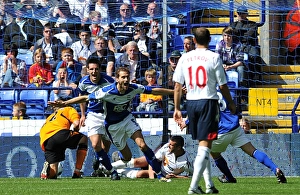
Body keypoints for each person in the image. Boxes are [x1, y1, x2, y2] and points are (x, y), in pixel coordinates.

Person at [48, 66, 175, 176]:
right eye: (123, 77)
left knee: (142, 145)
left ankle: (159, 173)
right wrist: (64, 103)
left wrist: (173, 92)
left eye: (127, 77)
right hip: (113, 127)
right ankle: (113, 162)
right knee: (127, 157)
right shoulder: (106, 91)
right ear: (117, 78)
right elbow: (85, 98)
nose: (126, 80)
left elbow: (154, 90)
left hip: (127, 119)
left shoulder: (134, 88)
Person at [173, 27, 236, 194]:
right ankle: (193, 187)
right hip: (208, 102)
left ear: (194, 40)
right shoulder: (214, 57)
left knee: (203, 146)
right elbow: (222, 85)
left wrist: (177, 108)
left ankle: (209, 185)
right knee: (205, 146)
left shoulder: (184, 58)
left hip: (191, 104)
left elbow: (178, 85)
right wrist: (230, 103)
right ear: (210, 40)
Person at [179, 92, 287, 184]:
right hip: (235, 127)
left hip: (220, 132)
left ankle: (229, 177)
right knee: (253, 150)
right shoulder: (222, 90)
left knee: (214, 154)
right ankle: (275, 169)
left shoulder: (205, 94)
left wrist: (186, 122)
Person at [76, 57, 119, 180]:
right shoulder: (84, 82)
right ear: (87, 70)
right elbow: (81, 98)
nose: (94, 72)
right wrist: (83, 115)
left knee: (105, 146)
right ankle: (111, 171)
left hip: (108, 116)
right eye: (91, 69)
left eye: (96, 69)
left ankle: (99, 164)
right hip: (93, 114)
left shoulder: (109, 81)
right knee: (95, 144)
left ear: (100, 69)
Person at [100, 136, 192, 180]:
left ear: (179, 148)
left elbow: (190, 177)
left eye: (171, 145)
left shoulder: (186, 161)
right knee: (139, 161)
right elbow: (152, 160)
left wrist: (176, 176)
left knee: (141, 174)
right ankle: (105, 167)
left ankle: (116, 172)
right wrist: (152, 177)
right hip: (156, 165)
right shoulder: (166, 148)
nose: (168, 146)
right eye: (169, 143)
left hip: (163, 174)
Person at [40, 104, 88, 179]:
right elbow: (76, 123)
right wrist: (75, 131)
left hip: (45, 139)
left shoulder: (51, 116)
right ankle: (77, 172)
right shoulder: (69, 109)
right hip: (59, 133)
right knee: (84, 139)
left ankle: (47, 171)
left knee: (53, 174)